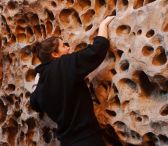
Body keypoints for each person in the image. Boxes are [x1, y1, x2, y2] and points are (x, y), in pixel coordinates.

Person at [30, 16, 115, 146]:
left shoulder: (41, 81)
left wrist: (36, 84)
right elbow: (96, 51)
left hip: (66, 142)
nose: (68, 48)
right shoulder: (64, 64)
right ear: (55, 54)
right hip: (88, 140)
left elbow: (34, 103)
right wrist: (103, 25)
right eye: (64, 45)